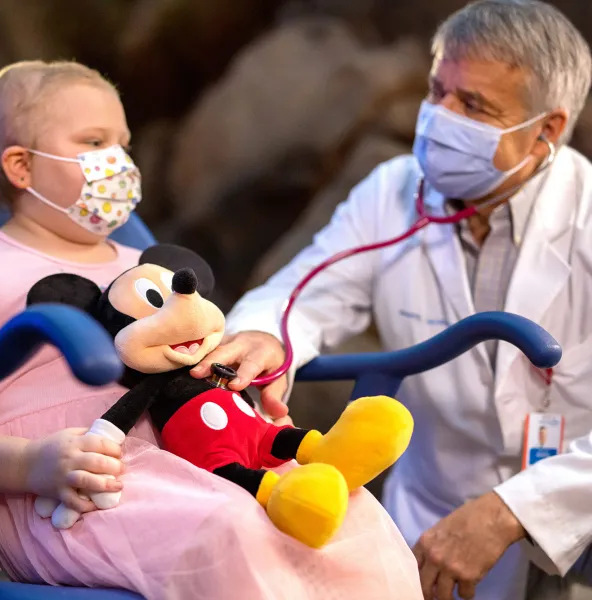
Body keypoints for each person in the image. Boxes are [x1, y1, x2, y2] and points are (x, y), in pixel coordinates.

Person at [0, 60, 423, 599]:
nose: (119, 162)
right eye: (94, 141)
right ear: (21, 166)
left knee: (348, 509)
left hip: (203, 461)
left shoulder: (149, 267)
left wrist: (239, 394)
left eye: (123, 145)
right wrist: (33, 465)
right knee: (231, 530)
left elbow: (194, 367)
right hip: (77, 492)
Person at [194, 1, 592, 599]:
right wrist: (267, 335)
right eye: (438, 91)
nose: (438, 117)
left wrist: (514, 510)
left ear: (548, 129)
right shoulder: (395, 191)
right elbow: (306, 291)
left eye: (473, 105)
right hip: (434, 501)